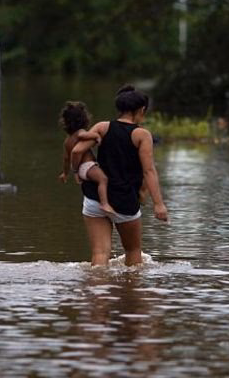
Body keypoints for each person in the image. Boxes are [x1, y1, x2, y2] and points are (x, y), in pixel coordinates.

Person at [72, 85, 168, 267]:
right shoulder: (142, 135)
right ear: (141, 110)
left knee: (100, 253)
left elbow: (77, 151)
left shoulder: (102, 127)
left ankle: (98, 292)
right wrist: (158, 204)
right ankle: (130, 293)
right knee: (132, 252)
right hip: (124, 201)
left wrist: (78, 172)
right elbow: (148, 171)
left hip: (95, 199)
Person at [58, 101, 115, 215]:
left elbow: (66, 159)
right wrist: (96, 136)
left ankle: (99, 202)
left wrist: (65, 173)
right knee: (103, 179)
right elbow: (84, 135)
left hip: (81, 170)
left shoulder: (67, 141)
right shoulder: (80, 132)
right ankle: (104, 203)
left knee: (98, 182)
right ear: (84, 120)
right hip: (87, 166)